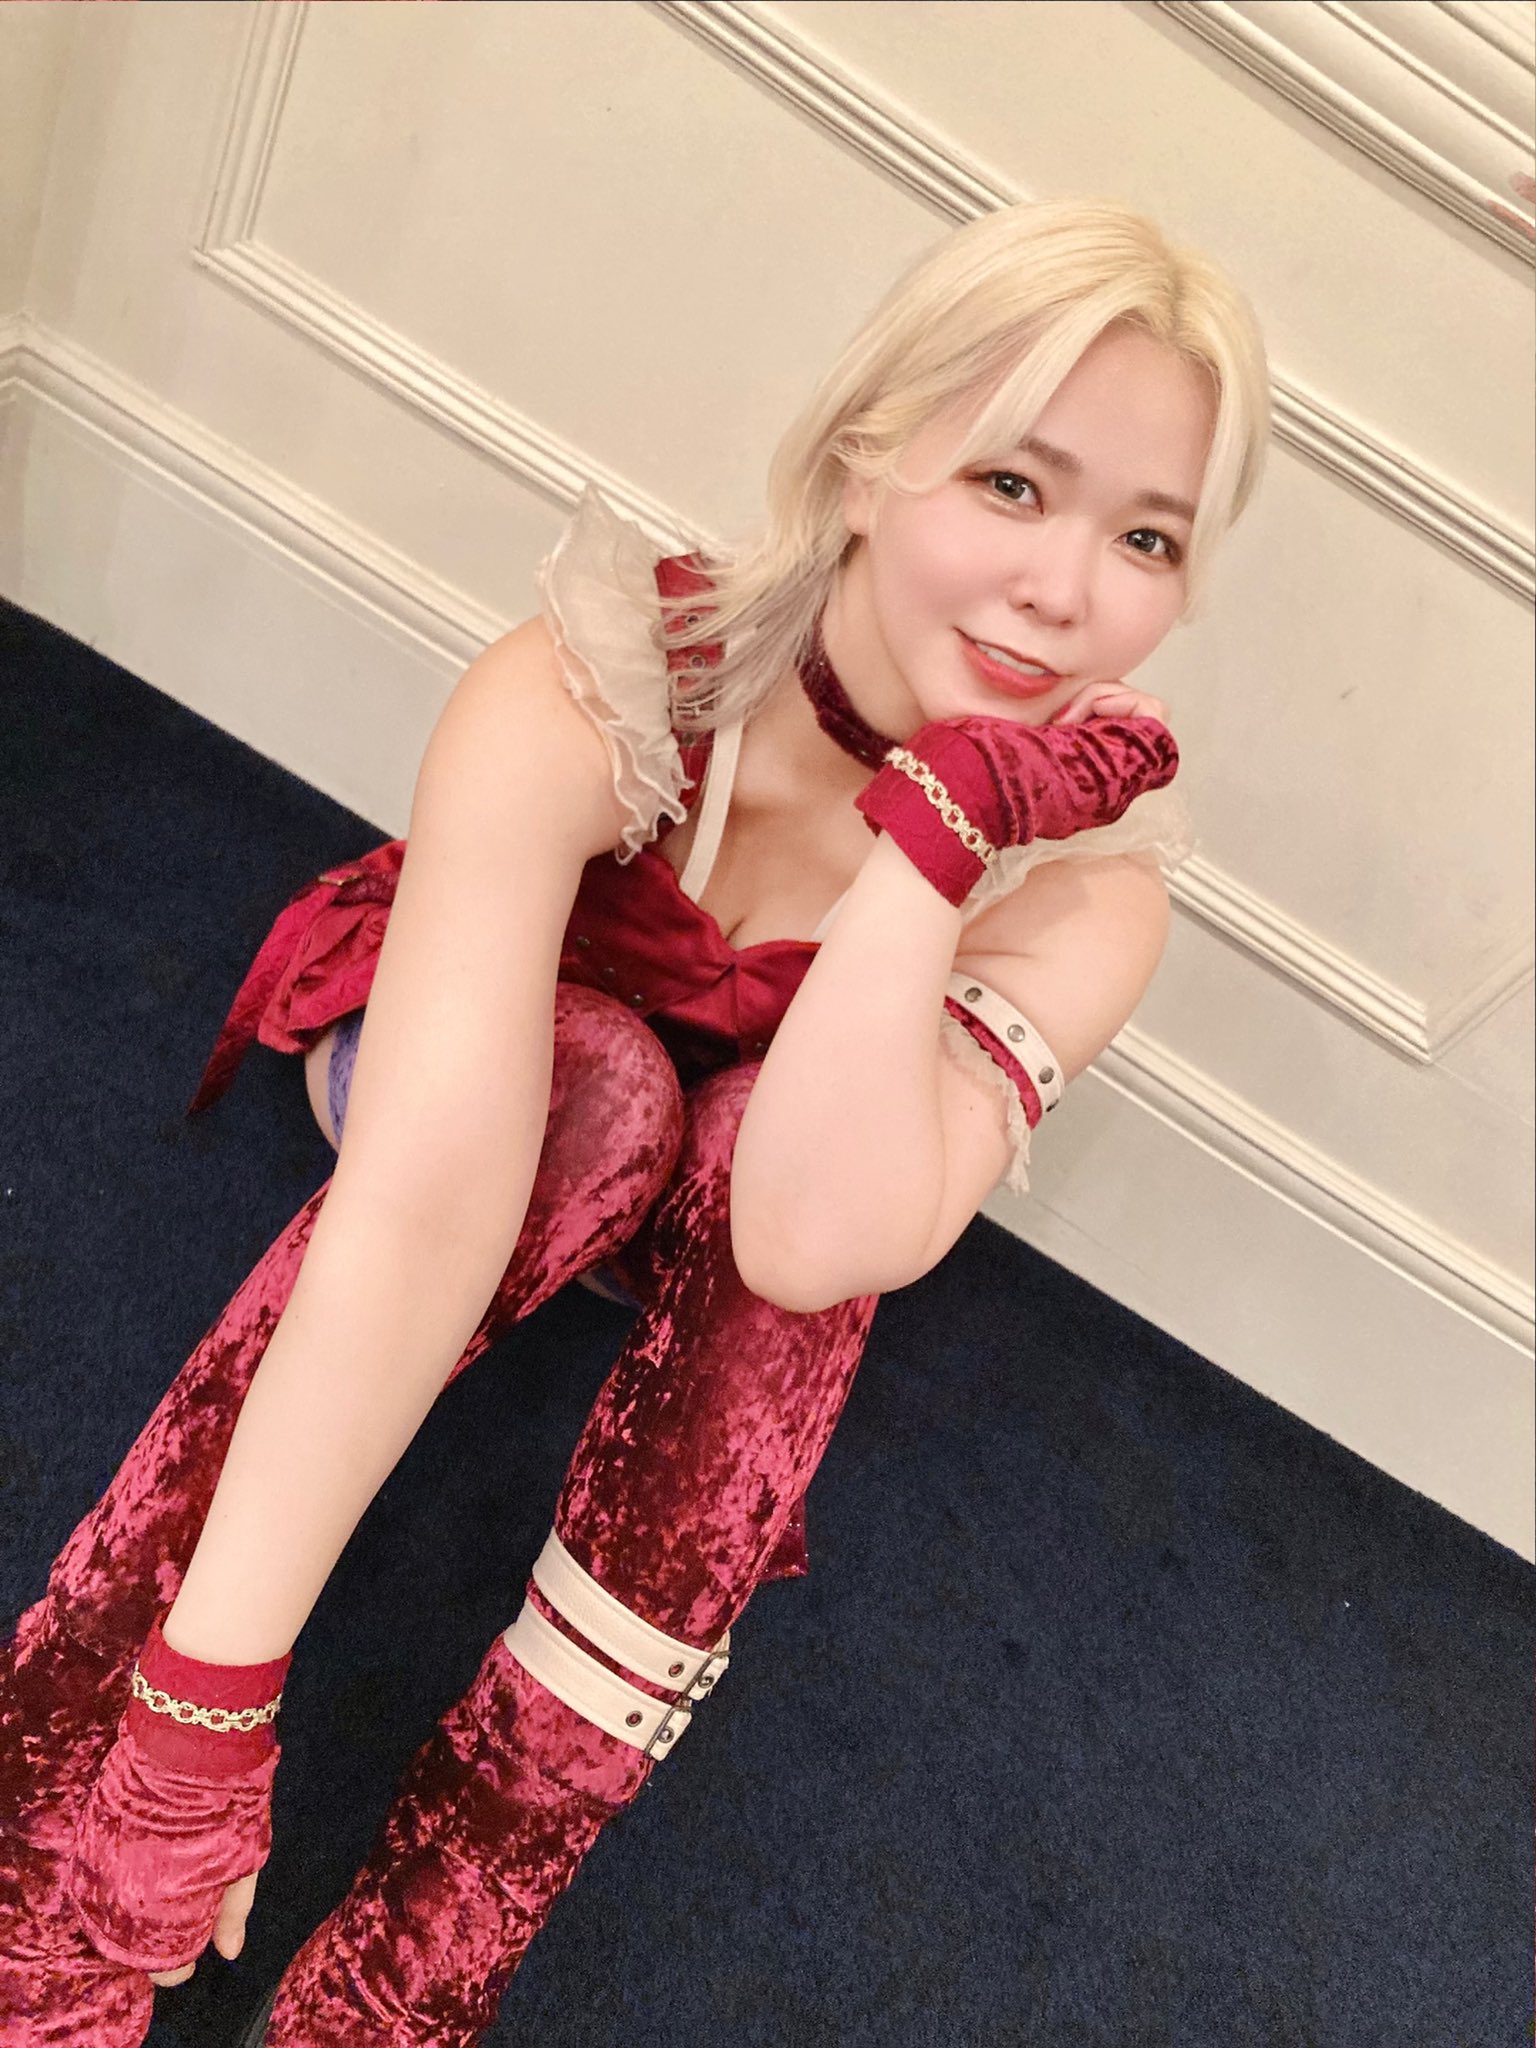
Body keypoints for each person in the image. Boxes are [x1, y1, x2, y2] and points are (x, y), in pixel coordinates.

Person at [0, 197, 1269, 2046]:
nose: (1066, 591)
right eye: (1012, 484)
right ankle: (75, 1786)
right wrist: (206, 1710)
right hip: (479, 1089)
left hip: (761, 1167)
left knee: (751, 1174)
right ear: (866, 461)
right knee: (598, 1091)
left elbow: (816, 1243)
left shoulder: (1090, 885)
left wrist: (936, 847)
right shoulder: (607, 674)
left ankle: (426, 1946)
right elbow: (427, 1194)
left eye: (1145, 537)